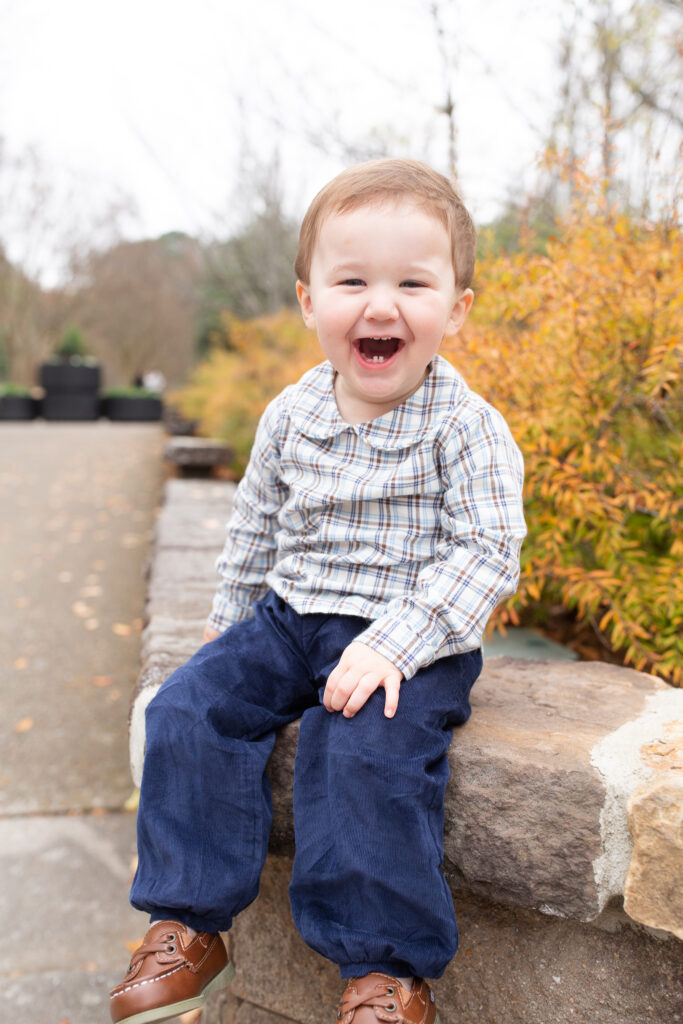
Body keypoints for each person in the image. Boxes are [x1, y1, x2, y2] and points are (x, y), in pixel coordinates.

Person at [110, 158, 526, 1024]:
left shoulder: (467, 427)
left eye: (412, 282)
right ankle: (190, 922)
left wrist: (395, 643)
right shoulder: (290, 416)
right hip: (289, 619)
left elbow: (487, 553)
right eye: (352, 281)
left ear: (455, 309)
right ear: (309, 303)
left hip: (408, 636)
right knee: (186, 710)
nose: (381, 304)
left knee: (361, 752)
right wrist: (226, 640)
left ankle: (385, 972)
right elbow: (252, 537)